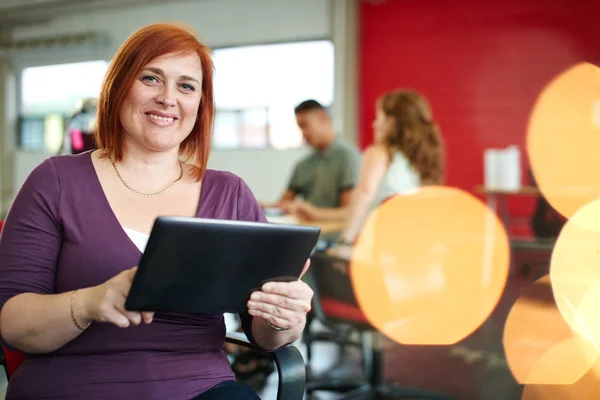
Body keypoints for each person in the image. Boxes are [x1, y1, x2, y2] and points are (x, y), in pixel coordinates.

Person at [0, 23, 313, 400]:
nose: (168, 98)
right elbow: (13, 325)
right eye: (151, 78)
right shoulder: (55, 181)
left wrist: (284, 318)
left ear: (200, 103)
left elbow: (262, 333)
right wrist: (90, 302)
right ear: (119, 86)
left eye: (186, 86)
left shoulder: (228, 193)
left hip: (201, 388)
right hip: (75, 386)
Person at [328, 89, 445, 259]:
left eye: (378, 117)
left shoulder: (379, 153)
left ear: (390, 122)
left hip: (384, 250)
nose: (374, 124)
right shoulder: (422, 160)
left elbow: (364, 193)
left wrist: (345, 243)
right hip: (421, 248)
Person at [266, 100, 361, 222]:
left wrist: (308, 211)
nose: (303, 133)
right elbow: (283, 204)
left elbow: (348, 213)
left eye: (305, 125)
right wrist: (266, 207)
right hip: (305, 234)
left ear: (323, 118)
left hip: (333, 237)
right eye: (300, 127)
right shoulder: (303, 165)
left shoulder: (348, 158)